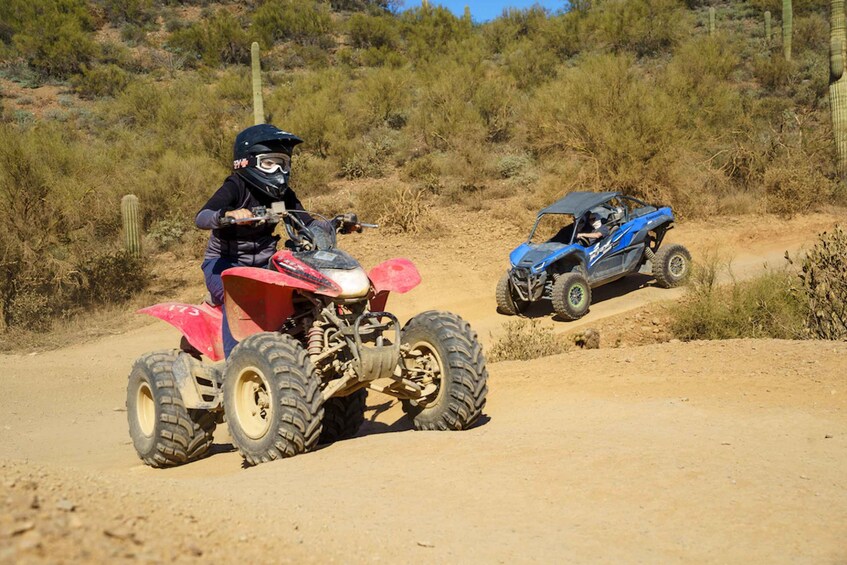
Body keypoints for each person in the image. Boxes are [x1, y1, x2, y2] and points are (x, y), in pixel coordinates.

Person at [195, 123, 329, 357]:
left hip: (266, 265)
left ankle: (308, 350)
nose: (279, 170)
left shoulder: (283, 194)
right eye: (270, 163)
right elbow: (201, 217)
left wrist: (332, 225)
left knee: (304, 291)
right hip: (225, 266)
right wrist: (227, 215)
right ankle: (236, 363)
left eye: (283, 163)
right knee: (237, 296)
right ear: (248, 161)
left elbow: (306, 221)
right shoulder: (236, 186)